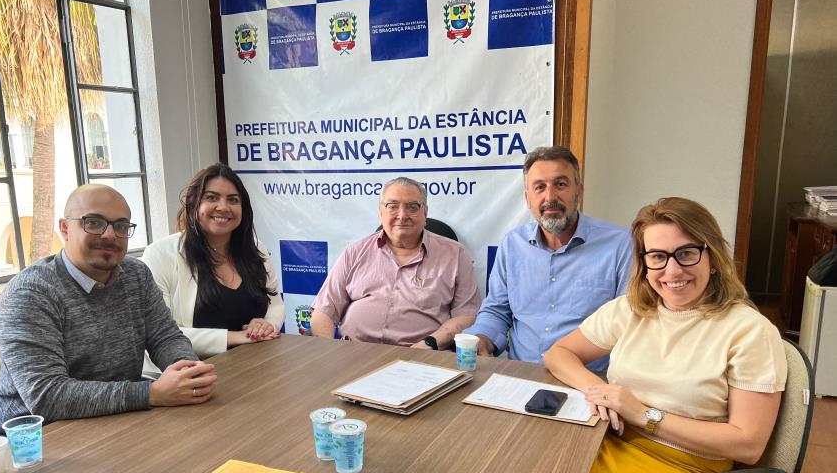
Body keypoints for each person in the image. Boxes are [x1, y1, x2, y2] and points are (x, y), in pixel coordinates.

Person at [539, 197, 787, 473]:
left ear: (712, 254)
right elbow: (559, 354)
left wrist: (643, 414)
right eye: (657, 256)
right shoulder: (632, 310)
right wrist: (598, 389)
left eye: (687, 252)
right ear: (643, 261)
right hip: (610, 447)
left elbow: (748, 446)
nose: (672, 271)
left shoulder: (748, 331)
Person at [0, 185, 217, 433]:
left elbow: (165, 337)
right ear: (65, 229)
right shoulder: (30, 293)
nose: (109, 235)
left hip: (116, 421)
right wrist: (151, 393)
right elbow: (47, 396)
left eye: (121, 226)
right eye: (93, 223)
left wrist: (188, 372)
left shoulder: (136, 275)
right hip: (32, 442)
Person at [467, 145, 632, 367]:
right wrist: (482, 339)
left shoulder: (620, 244)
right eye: (539, 187)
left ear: (579, 192)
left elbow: (628, 324)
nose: (550, 197)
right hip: (519, 375)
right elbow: (497, 310)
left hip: (588, 382)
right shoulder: (512, 243)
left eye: (561, 185)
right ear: (528, 198)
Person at [141, 163, 284, 369]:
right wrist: (235, 337)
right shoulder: (160, 254)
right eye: (211, 197)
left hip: (255, 366)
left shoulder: (256, 249)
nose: (223, 207)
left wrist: (265, 325)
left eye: (233, 200)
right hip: (191, 373)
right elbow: (160, 334)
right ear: (193, 203)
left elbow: (276, 305)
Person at [310, 177, 480, 348]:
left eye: (412, 207)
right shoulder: (354, 252)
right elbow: (324, 311)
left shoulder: (456, 255)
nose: (402, 215)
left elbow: (467, 315)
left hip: (421, 357)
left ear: (425, 213)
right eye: (392, 206)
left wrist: (429, 345)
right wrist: (329, 350)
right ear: (380, 212)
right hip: (353, 353)